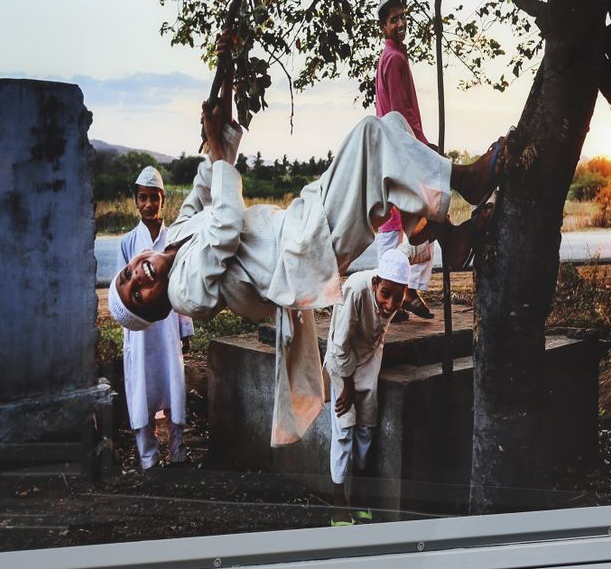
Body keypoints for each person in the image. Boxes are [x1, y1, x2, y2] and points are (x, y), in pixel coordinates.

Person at [107, 81, 501, 446]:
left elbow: (209, 178)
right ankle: (465, 181)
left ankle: (442, 234)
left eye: (127, 276)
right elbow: (225, 225)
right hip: (305, 252)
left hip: (300, 222)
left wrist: (223, 96)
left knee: (392, 124)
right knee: (372, 135)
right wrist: (215, 144)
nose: (138, 278)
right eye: (138, 295)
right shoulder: (185, 294)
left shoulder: (175, 234)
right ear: (156, 310)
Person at [324, 248, 410, 523]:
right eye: (385, 294)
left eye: (398, 297)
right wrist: (347, 386)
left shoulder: (393, 297)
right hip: (343, 361)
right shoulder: (355, 289)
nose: (390, 304)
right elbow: (340, 345)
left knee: (366, 430)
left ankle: (360, 496)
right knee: (344, 429)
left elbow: (377, 331)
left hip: (370, 360)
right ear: (375, 283)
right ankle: (339, 503)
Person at [117, 165, 193, 470]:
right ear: (136, 201)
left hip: (168, 327)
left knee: (174, 383)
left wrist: (185, 330)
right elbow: (121, 290)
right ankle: (148, 457)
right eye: (143, 198)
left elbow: (183, 286)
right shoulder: (127, 243)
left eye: (154, 198)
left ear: (164, 199)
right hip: (139, 331)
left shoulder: (173, 240)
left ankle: (178, 451)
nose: (148, 204)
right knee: (141, 386)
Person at [372, 0, 436, 322]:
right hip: (402, 149)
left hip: (390, 149)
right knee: (424, 218)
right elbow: (400, 112)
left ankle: (398, 291)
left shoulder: (390, 57)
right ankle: (403, 291)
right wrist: (423, 147)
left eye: (403, 17)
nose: (400, 23)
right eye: (393, 19)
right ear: (384, 27)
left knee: (393, 224)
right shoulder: (394, 59)